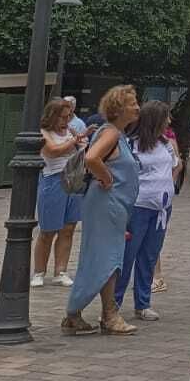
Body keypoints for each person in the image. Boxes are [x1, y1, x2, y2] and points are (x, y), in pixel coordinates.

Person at [62, 85, 141, 335]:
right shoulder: (112, 134)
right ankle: (108, 314)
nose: (137, 106)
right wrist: (107, 178)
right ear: (118, 109)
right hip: (107, 204)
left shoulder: (116, 133)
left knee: (104, 256)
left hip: (111, 205)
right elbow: (92, 158)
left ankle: (83, 313)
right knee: (107, 257)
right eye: (132, 103)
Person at [115, 100, 180, 321]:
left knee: (149, 256)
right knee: (127, 256)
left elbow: (175, 165)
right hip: (138, 208)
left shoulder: (166, 143)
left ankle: (142, 303)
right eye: (165, 118)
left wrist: (167, 186)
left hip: (161, 208)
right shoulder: (131, 144)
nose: (169, 122)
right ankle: (113, 303)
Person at [33, 98, 84, 287]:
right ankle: (39, 271)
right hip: (53, 179)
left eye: (69, 116)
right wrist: (74, 142)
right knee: (48, 230)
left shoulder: (70, 131)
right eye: (63, 117)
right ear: (53, 116)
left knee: (68, 228)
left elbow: (81, 148)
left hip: (73, 179)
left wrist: (80, 142)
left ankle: (60, 270)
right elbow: (52, 151)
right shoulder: (43, 133)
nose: (66, 120)